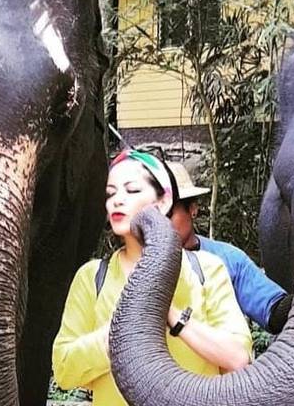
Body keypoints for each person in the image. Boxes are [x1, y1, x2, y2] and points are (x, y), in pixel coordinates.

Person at [52, 149, 252, 405]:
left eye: (132, 190)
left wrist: (168, 311)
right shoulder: (92, 277)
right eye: (111, 193)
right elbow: (64, 370)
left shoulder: (207, 269)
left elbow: (238, 358)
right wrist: (125, 325)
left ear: (162, 202)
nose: (117, 200)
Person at [166, 161, 292, 334]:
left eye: (167, 213)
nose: (159, 223)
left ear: (192, 209)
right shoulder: (130, 264)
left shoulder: (228, 259)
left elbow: (273, 311)